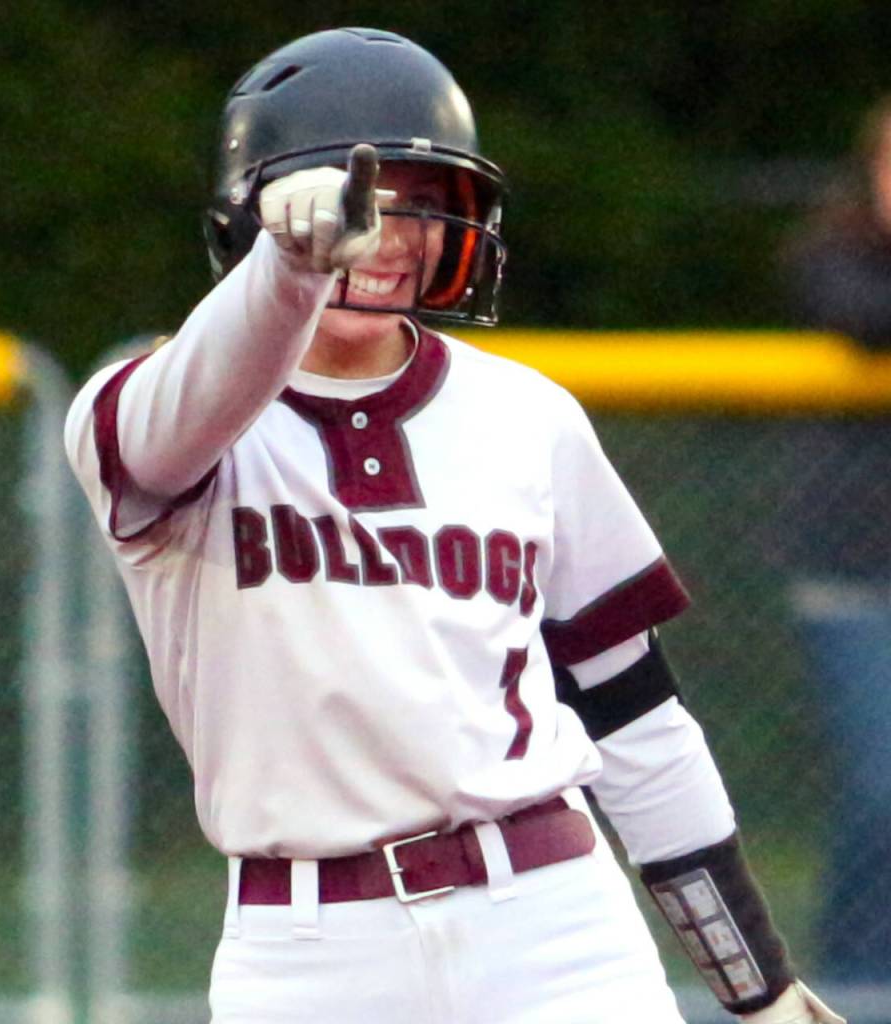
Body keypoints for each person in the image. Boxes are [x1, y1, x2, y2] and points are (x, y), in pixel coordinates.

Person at [66, 28, 844, 1024]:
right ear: (252, 207)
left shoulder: (525, 413)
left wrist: (755, 983)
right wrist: (286, 268)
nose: (389, 235)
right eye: (357, 198)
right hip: (306, 946)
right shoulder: (144, 414)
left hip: (553, 920)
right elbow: (169, 425)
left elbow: (637, 716)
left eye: (424, 202)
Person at [778, 96, 891, 984]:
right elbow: (864, 317)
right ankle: (856, 985)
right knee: (882, 788)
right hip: (856, 577)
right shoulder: (833, 253)